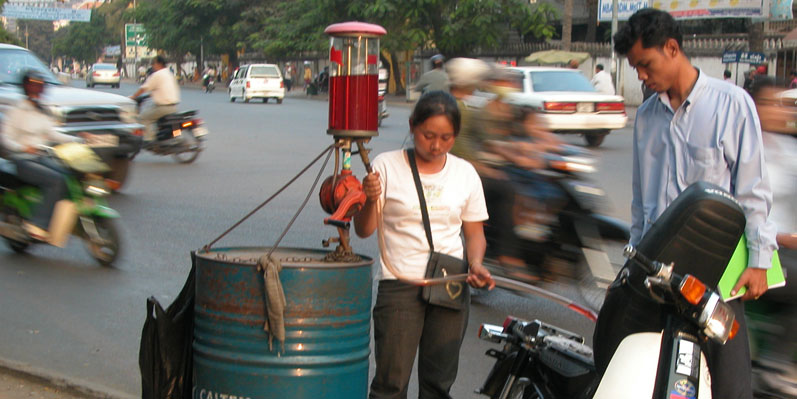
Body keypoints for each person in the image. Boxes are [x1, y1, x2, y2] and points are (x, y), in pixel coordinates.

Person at [594, 8, 778, 399]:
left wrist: (760, 261)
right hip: (661, 277)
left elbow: (752, 193)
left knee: (730, 388)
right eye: (635, 68)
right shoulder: (645, 118)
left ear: (672, 48)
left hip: (717, 279)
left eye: (644, 64)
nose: (640, 75)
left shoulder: (732, 105)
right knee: (652, 381)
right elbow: (643, 207)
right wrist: (631, 271)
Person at [354, 91, 494, 399]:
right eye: (428, 135)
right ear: (412, 126)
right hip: (400, 284)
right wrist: (371, 199)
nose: (436, 145)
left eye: (446, 138)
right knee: (390, 384)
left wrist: (477, 264)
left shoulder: (465, 173)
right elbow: (364, 230)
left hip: (450, 284)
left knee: (438, 385)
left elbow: (474, 233)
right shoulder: (386, 166)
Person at [0, 71, 82, 242]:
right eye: (33, 85)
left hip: (42, 156)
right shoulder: (17, 110)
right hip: (22, 159)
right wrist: (23, 147)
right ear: (26, 87)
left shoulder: (43, 110)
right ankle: (37, 224)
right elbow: (6, 138)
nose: (37, 89)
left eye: (40, 85)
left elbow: (52, 134)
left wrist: (78, 139)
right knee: (56, 180)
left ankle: (55, 220)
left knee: (69, 176)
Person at [131, 55, 180, 142]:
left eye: (153, 63)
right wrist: (151, 95)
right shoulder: (169, 73)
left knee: (143, 118)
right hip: (173, 106)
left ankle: (150, 139)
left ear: (159, 64)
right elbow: (163, 88)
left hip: (163, 107)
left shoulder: (157, 75)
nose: (152, 66)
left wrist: (134, 96)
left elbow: (144, 88)